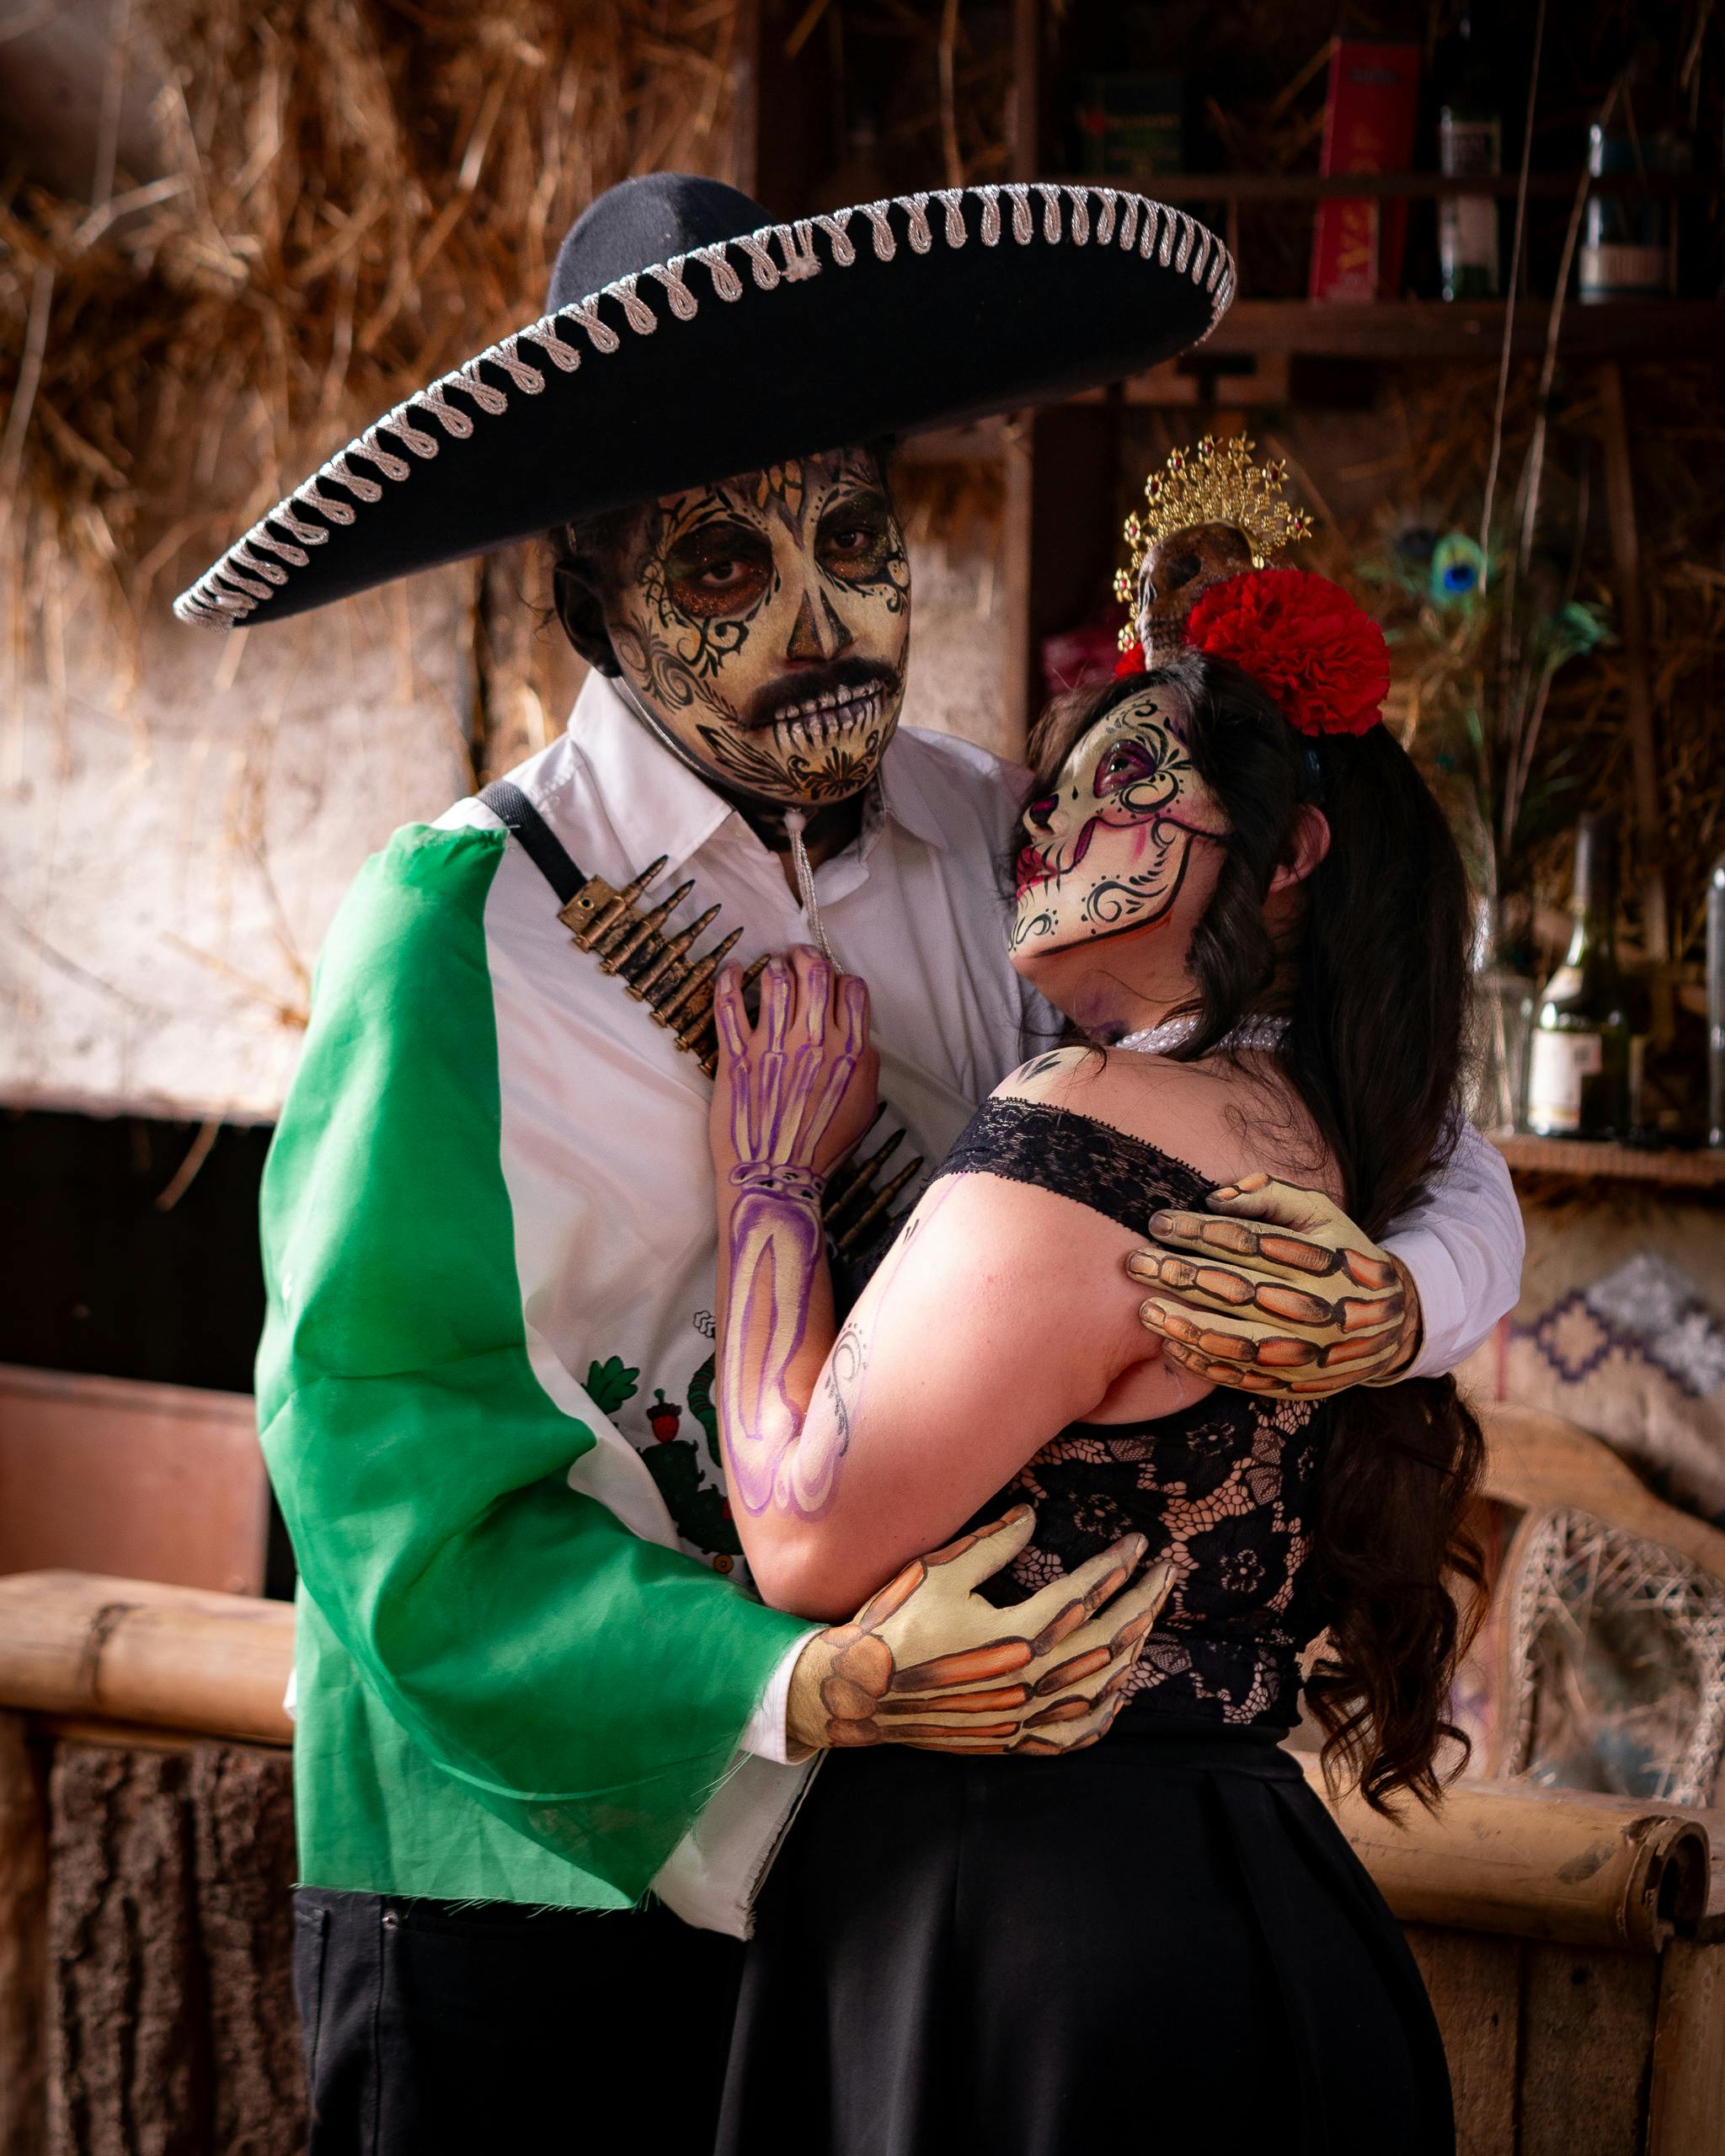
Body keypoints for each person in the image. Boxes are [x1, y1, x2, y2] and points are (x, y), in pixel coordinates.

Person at [174, 175, 1520, 2153]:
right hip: (528, 1880)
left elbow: (1376, 1087)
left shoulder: (1000, 839)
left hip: (886, 1891)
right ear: (590, 595)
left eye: (858, 538)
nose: (823, 621)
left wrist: (1407, 1292)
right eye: (726, 559)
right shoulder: (459, 928)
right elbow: (380, 1475)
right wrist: (802, 1681)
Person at [708, 565, 1482, 2153]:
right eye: (1048, 797)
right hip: (1253, 1902)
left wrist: (768, 1180)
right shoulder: (1347, 1141)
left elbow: (797, 1528)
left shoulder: (1094, 1117)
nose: (1050, 832)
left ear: (1290, 857)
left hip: (1023, 1942)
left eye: (1125, 786)